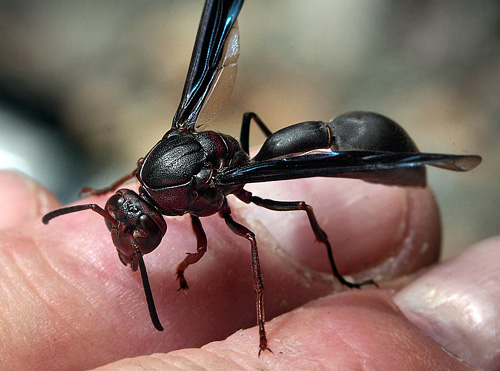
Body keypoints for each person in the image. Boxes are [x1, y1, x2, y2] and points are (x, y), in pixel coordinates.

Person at [0, 169, 496, 370]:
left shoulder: (200, 188)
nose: (130, 243)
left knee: (281, 216)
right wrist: (105, 196)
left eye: (139, 235)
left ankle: (340, 274)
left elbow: (244, 238)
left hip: (346, 153)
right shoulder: (157, 172)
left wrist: (260, 323)